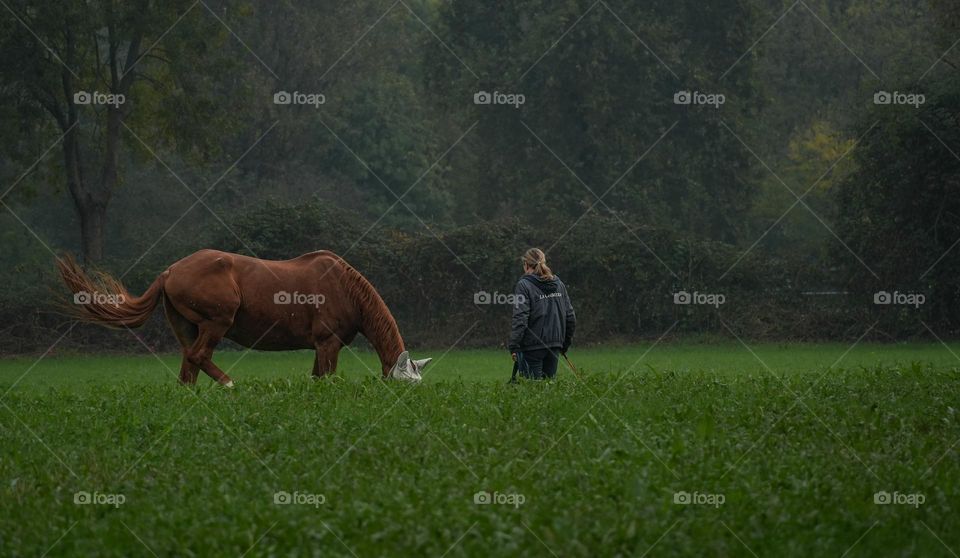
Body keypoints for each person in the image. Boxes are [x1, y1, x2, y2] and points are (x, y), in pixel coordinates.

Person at [508, 248, 576, 380]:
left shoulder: (523, 285)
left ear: (526, 265)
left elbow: (520, 318)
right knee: (549, 389)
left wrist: (514, 345)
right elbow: (570, 317)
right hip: (554, 345)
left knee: (532, 389)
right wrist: (564, 344)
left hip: (531, 347)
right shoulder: (559, 284)